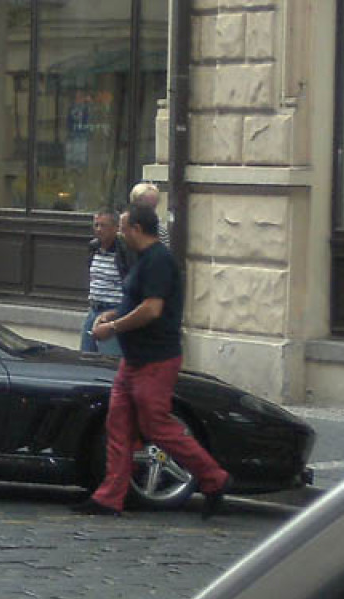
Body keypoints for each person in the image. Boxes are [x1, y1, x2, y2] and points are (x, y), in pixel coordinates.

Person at [73, 205, 233, 519]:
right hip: (133, 361)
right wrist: (113, 314)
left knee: (156, 426)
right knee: (118, 424)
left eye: (122, 227)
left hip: (155, 360)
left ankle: (215, 478)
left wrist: (113, 327)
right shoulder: (142, 260)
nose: (119, 233)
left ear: (136, 228)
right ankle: (109, 497)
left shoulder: (159, 261)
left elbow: (152, 309)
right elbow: (135, 302)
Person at [80, 209, 129, 356]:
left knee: (109, 360)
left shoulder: (125, 251)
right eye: (96, 225)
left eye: (104, 226)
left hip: (113, 312)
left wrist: (117, 313)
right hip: (94, 309)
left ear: (116, 228)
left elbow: (131, 285)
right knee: (86, 356)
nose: (99, 229)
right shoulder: (93, 247)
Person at [129, 181, 171, 247]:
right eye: (145, 207)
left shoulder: (161, 232)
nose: (149, 211)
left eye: (153, 207)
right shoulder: (123, 227)